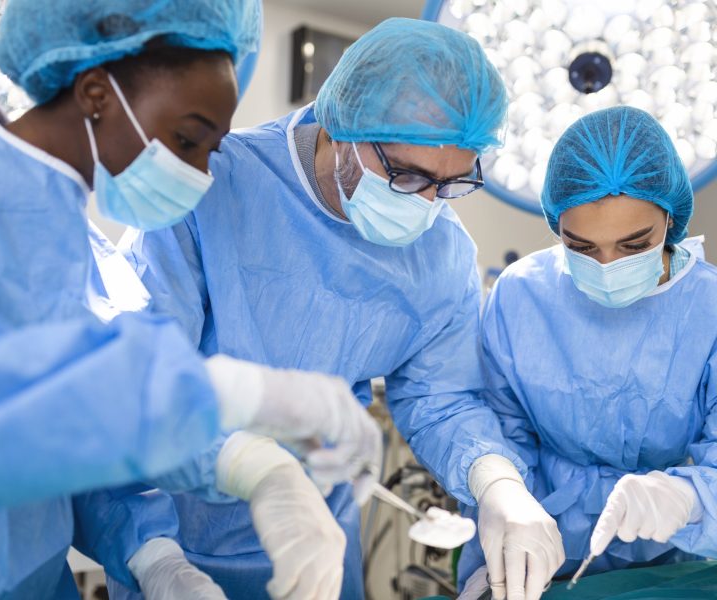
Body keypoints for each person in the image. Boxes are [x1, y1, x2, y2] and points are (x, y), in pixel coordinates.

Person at [72, 17, 563, 600]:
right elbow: (138, 390)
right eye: (407, 176)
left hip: (321, 552)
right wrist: (155, 558)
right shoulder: (213, 185)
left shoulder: (442, 252)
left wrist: (497, 482)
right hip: (182, 543)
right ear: (341, 127)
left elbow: (441, 397)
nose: (429, 205)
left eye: (453, 184)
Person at [0, 1, 382, 598]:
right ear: (97, 92)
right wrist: (233, 392)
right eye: (186, 140)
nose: (200, 176)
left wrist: (250, 475)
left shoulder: (77, 242)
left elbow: (93, 426)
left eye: (211, 152)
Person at [459, 106, 717, 599]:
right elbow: (500, 435)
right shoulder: (522, 294)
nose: (606, 265)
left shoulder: (708, 308)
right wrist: (503, 527)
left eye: (634, 245)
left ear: (670, 216)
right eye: (580, 247)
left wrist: (689, 498)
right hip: (542, 546)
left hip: (667, 559)